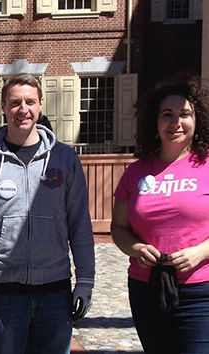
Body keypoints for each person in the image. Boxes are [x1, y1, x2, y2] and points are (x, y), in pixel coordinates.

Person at [0, 74, 95, 354]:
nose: (22, 109)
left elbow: (80, 224)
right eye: (14, 103)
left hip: (54, 290)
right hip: (3, 291)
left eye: (29, 102)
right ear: (2, 106)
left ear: (40, 105)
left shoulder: (64, 159)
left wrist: (85, 280)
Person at [111, 78, 209, 354]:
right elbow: (118, 228)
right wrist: (137, 248)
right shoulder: (135, 172)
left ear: (196, 120)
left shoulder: (207, 166)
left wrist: (200, 252)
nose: (176, 122)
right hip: (147, 288)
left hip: (200, 290)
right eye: (167, 115)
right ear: (154, 122)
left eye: (184, 114)